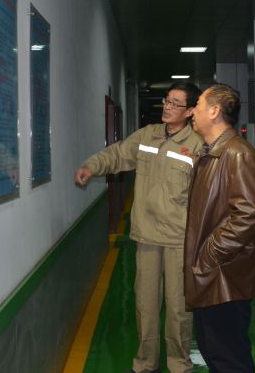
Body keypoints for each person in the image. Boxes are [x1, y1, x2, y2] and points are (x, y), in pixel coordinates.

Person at [74, 82, 203, 373]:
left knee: (178, 307)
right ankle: (146, 363)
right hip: (146, 235)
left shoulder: (197, 144)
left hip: (179, 238)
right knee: (145, 305)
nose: (167, 107)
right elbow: (118, 154)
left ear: (190, 111)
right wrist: (92, 166)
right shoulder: (148, 135)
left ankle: (179, 364)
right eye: (167, 100)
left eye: (176, 103)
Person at [184, 84, 255, 373]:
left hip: (225, 278)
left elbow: (249, 213)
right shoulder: (212, 154)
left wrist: (208, 254)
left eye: (198, 105)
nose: (192, 112)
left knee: (229, 359)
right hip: (212, 276)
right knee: (213, 352)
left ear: (215, 111)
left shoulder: (237, 153)